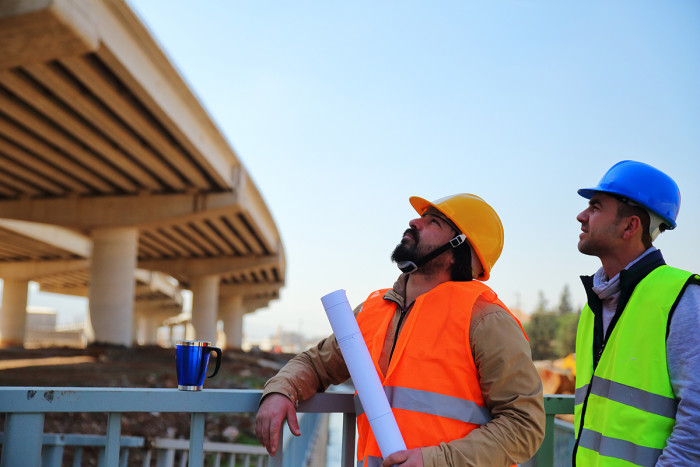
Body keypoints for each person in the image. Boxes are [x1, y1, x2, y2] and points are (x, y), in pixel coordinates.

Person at [256, 193, 545, 466]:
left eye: (434, 222)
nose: (414, 222)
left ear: (458, 247)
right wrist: (281, 391)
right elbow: (317, 364)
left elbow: (524, 425)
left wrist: (435, 461)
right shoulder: (373, 310)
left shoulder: (487, 320)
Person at [573, 160, 700, 466]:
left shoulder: (683, 298)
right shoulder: (594, 306)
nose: (581, 216)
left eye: (595, 206)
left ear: (630, 226)